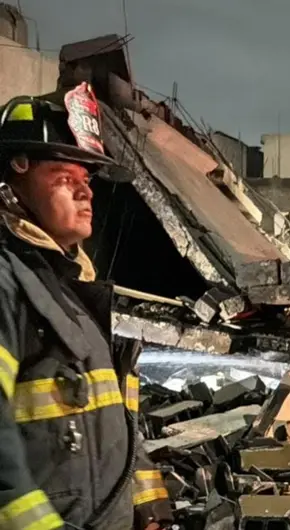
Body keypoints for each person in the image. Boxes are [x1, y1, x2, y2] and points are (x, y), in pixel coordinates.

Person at [0, 84, 172, 529]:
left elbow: (114, 422)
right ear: (11, 185)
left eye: (86, 180)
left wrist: (148, 501)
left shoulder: (70, 290)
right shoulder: (9, 282)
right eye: (63, 178)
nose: (85, 194)